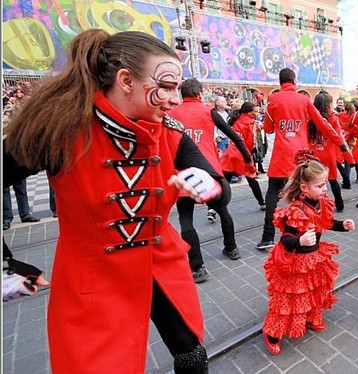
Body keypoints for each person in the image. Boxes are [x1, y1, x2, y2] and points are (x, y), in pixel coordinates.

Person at [3, 29, 231, 373]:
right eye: (166, 86)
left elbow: (220, 187)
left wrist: (211, 185)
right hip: (94, 281)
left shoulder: (170, 133)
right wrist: (5, 264)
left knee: (191, 352)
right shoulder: (60, 131)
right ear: (125, 80)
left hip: (160, 266)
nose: (175, 99)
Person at [262, 151, 355, 355]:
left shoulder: (321, 202)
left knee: (313, 291)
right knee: (288, 299)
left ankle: (310, 318)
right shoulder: (297, 209)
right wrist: (300, 240)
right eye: (319, 186)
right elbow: (285, 239)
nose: (324, 189)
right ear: (304, 188)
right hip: (296, 260)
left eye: (324, 185)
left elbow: (326, 222)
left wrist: (343, 225)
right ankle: (272, 333)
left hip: (314, 258)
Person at [256, 68, 345, 250]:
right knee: (307, 195)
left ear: (280, 82)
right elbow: (322, 124)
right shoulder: (304, 99)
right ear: (294, 81)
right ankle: (308, 233)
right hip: (301, 157)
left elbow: (268, 128)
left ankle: (267, 236)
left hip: (281, 156)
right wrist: (341, 143)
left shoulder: (272, 100)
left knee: (272, 194)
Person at [170, 78, 249, 265]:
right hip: (209, 172)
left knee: (185, 219)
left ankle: (197, 265)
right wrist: (247, 158)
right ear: (199, 94)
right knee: (222, 211)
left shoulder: (171, 114)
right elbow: (234, 136)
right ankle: (232, 248)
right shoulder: (208, 111)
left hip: (184, 173)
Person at [308, 92, 353, 212]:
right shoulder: (332, 118)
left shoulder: (310, 118)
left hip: (313, 154)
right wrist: (347, 154)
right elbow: (338, 136)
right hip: (328, 153)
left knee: (314, 182)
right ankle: (339, 203)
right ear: (328, 104)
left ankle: (315, 204)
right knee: (333, 180)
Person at [220, 101, 265, 209]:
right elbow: (250, 142)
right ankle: (262, 202)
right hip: (242, 155)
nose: (257, 113)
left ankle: (212, 208)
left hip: (230, 154)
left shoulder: (236, 120)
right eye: (255, 111)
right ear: (249, 112)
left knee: (225, 183)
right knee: (252, 180)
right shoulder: (251, 123)